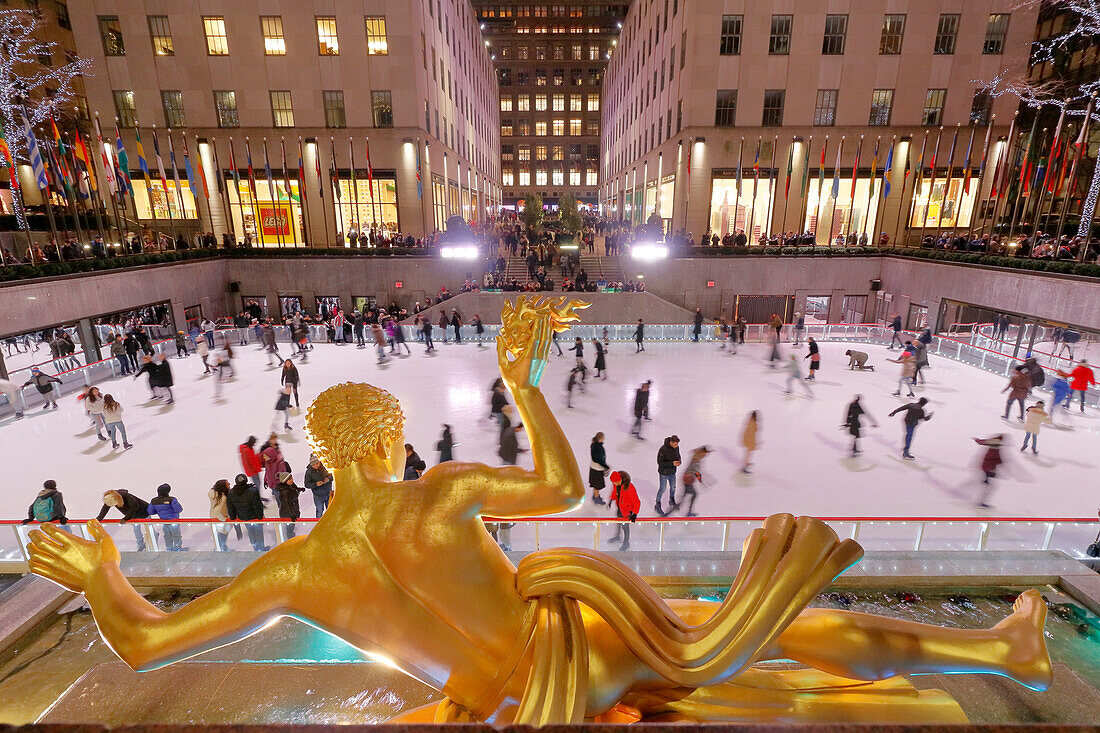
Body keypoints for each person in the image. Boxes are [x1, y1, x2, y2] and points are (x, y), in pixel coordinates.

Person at [24, 304, 1056, 724]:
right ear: (386, 442)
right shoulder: (442, 492)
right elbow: (563, 487)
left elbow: (147, 644)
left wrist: (99, 575)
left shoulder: (290, 569)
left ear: (320, 455)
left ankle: (986, 656)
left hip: (504, 696)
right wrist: (520, 380)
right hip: (577, 649)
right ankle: (998, 650)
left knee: (739, 669)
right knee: (747, 637)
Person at [227, 473, 268, 551]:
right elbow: (257, 505)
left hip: (244, 517)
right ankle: (260, 548)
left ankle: (254, 545)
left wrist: (233, 518)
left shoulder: (231, 493)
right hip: (255, 518)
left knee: (250, 531)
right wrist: (260, 517)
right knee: (259, 532)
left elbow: (231, 507)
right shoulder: (253, 491)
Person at [607, 469, 640, 551]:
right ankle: (617, 536)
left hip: (627, 511)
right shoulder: (616, 484)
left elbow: (637, 502)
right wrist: (612, 499)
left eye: (615, 482)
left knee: (625, 527)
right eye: (613, 482)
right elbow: (615, 492)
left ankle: (626, 542)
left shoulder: (629, 488)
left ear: (620, 479)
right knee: (618, 522)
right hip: (620, 507)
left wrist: (634, 514)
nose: (614, 484)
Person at [147, 484, 185, 551]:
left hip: (164, 522)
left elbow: (150, 511)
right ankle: (177, 548)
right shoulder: (172, 500)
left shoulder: (154, 501)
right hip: (174, 521)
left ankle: (169, 548)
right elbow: (178, 510)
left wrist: (159, 511)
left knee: (167, 536)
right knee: (176, 535)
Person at [974, 435, 1006, 508]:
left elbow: (982, 442)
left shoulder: (992, 444)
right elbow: (998, 460)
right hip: (988, 469)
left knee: (988, 484)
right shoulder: (996, 451)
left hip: (985, 468)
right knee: (990, 486)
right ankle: (981, 502)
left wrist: (977, 439)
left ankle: (984, 484)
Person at [680, 446, 711, 517]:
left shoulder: (696, 458)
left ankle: (683, 509)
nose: (706, 455)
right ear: (702, 453)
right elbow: (696, 472)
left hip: (687, 478)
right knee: (694, 494)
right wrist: (700, 480)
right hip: (688, 479)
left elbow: (696, 471)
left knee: (686, 495)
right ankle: (688, 511)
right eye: (705, 453)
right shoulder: (696, 460)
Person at [655, 435, 681, 516]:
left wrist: (679, 461)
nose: (676, 446)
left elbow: (678, 456)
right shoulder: (663, 449)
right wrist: (672, 463)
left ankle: (671, 500)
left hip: (672, 472)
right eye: (675, 444)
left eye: (677, 444)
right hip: (664, 473)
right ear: (671, 442)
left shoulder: (676, 448)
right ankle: (657, 503)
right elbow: (660, 463)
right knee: (662, 489)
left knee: (673, 487)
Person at [274, 472, 304, 537]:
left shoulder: (290, 485)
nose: (292, 480)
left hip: (293, 509)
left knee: (291, 527)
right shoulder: (284, 491)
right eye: (290, 479)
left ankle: (290, 535)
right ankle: (290, 539)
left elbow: (294, 490)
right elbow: (286, 504)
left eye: (291, 478)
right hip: (288, 513)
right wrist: (291, 515)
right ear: (285, 481)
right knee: (289, 528)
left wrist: (299, 489)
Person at [209, 479, 235, 551]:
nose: (229, 484)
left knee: (219, 534)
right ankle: (221, 547)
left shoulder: (212, 494)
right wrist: (224, 518)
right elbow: (219, 510)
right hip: (222, 518)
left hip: (213, 517)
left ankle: (220, 546)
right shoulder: (223, 498)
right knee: (223, 532)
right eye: (227, 484)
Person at [588, 432, 608, 505]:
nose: (604, 439)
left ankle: (595, 495)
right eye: (603, 437)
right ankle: (596, 498)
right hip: (597, 469)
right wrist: (605, 466)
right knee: (597, 485)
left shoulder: (594, 444)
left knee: (595, 483)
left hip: (594, 467)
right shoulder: (598, 447)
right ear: (600, 438)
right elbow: (598, 459)